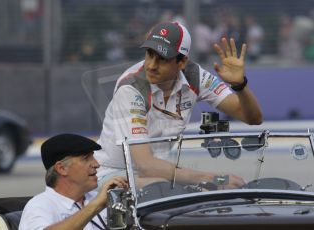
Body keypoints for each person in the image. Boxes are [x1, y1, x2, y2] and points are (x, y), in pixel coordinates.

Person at [95, 21, 263, 189]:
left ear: (182, 62)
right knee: (170, 190)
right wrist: (214, 179)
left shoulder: (195, 76)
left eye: (162, 59)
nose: (151, 65)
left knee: (187, 193)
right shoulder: (131, 88)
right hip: (112, 174)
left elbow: (253, 118)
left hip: (158, 175)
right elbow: (145, 165)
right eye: (149, 54)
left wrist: (240, 85)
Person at [19, 133, 128, 230]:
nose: (96, 164)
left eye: (93, 157)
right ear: (62, 168)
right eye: (86, 158)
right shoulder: (40, 205)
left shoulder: (98, 198)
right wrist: (96, 205)